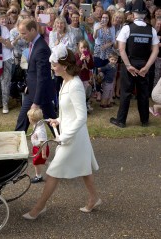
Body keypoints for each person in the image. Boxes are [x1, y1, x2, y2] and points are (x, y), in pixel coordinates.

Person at [22, 43, 100, 220]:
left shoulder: (75, 85)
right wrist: (58, 120)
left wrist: (63, 136)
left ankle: (39, 208)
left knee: (53, 171)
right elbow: (68, 111)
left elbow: (82, 117)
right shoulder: (66, 82)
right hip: (72, 135)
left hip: (73, 137)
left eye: (54, 64)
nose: (52, 67)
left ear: (64, 66)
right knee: (84, 168)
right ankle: (94, 198)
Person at [110, 0, 159, 128]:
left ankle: (121, 120)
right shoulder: (151, 30)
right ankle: (144, 120)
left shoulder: (127, 28)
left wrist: (128, 65)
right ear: (145, 14)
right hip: (144, 64)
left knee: (126, 93)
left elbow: (121, 49)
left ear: (133, 13)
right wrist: (146, 67)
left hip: (130, 64)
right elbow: (155, 51)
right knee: (143, 94)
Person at [15, 19, 56, 133]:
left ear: (33, 30)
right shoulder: (34, 44)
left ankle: (65, 144)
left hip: (41, 95)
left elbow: (42, 77)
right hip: (32, 92)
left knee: (53, 124)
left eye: (24, 33)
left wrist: (36, 103)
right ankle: (17, 148)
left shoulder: (41, 48)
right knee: (22, 121)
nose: (22, 36)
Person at [27, 108, 49, 184]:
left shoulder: (40, 131)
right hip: (37, 147)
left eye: (29, 118)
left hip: (41, 149)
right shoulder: (38, 124)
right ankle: (50, 165)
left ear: (32, 120)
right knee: (39, 162)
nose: (28, 120)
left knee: (36, 163)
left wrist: (43, 153)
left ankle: (38, 176)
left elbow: (43, 142)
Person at [75, 39, 94, 112]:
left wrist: (88, 61)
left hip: (86, 77)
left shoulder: (89, 55)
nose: (83, 49)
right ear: (79, 48)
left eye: (85, 47)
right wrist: (80, 59)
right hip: (79, 77)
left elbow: (91, 66)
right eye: (82, 48)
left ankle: (86, 104)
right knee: (79, 93)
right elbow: (76, 66)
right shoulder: (77, 55)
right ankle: (80, 107)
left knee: (87, 91)